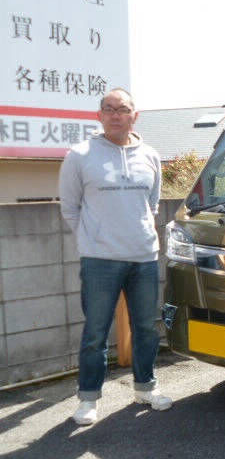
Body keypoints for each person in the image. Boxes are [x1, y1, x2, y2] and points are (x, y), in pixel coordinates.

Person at [59, 88, 172, 425]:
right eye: (108, 109)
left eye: (122, 109)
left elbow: (152, 204)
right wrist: (93, 239)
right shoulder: (79, 155)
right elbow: (70, 207)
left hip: (143, 256)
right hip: (99, 259)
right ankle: (88, 399)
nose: (114, 115)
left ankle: (145, 388)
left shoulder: (150, 155)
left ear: (134, 116)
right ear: (99, 115)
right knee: (95, 333)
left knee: (146, 329)